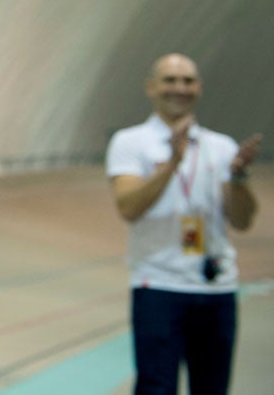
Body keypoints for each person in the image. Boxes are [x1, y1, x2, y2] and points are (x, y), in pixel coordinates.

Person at [106, 53, 262, 395]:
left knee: (213, 388)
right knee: (156, 387)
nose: (180, 88)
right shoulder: (131, 143)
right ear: (151, 87)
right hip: (159, 286)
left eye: (188, 81)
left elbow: (242, 219)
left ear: (199, 88)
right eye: (170, 80)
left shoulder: (221, 147)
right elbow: (129, 207)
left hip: (216, 288)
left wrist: (238, 178)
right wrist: (172, 163)